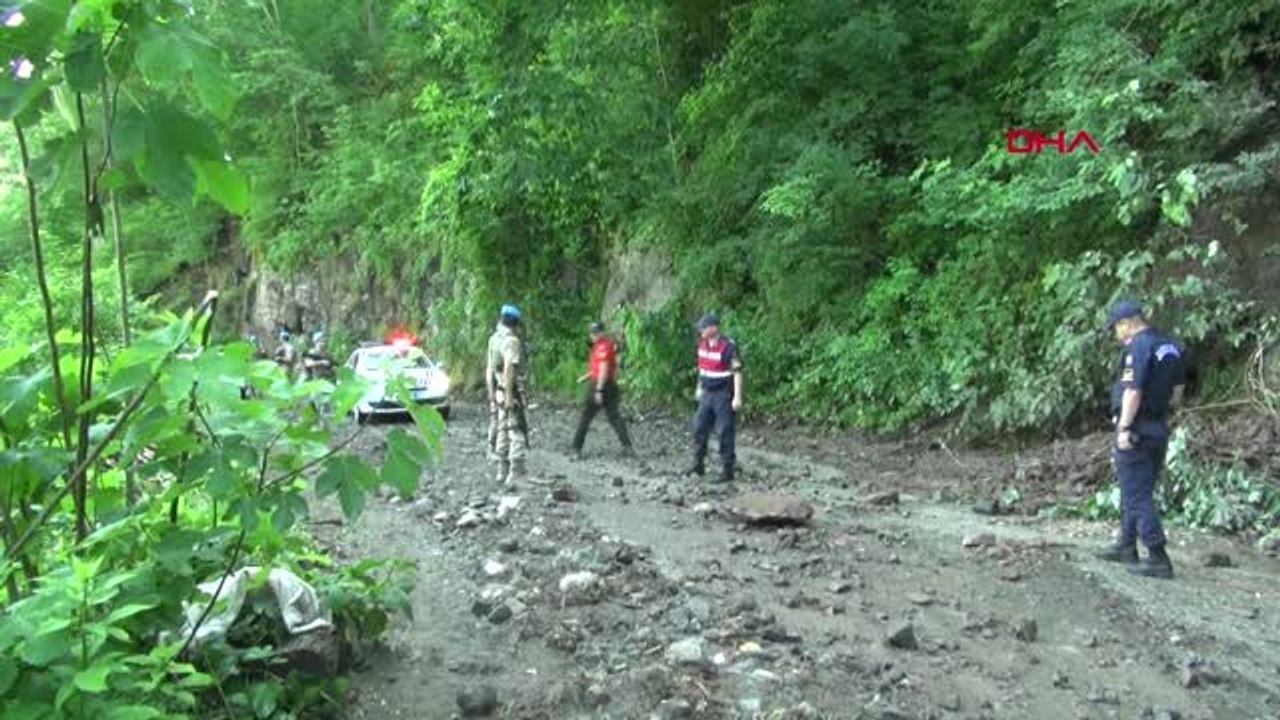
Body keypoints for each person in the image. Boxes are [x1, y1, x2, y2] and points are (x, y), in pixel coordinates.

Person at [1095, 300, 1186, 579]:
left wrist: (1124, 427)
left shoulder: (1139, 346)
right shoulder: (1169, 346)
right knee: (1135, 489)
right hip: (1158, 427)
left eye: (1116, 328)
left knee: (1137, 495)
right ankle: (1125, 545)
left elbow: (1132, 392)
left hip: (1137, 429)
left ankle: (1158, 555)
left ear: (1127, 323)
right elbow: (1179, 388)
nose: (1116, 334)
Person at [684, 313, 743, 483]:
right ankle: (698, 464)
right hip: (707, 393)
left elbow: (737, 373)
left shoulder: (728, 347)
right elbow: (701, 369)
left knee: (724, 431)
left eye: (704, 327)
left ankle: (727, 470)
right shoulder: (702, 345)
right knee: (699, 427)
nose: (701, 331)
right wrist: (699, 388)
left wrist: (737, 397)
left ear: (714, 328)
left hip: (723, 394)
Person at [570, 321, 635, 460]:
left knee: (586, 417)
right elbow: (602, 367)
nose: (593, 335)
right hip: (609, 384)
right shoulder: (604, 345)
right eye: (592, 332)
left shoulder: (602, 347)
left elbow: (604, 368)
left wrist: (598, 390)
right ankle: (627, 446)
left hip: (601, 385)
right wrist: (586, 377)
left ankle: (576, 448)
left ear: (602, 332)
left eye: (595, 332)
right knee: (614, 417)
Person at [486, 304, 529, 485]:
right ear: (516, 323)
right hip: (510, 391)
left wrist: (491, 395)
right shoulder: (511, 341)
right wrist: (511, 396)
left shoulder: (494, 339)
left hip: (498, 392)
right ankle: (515, 472)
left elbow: (489, 370)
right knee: (516, 430)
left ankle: (501, 471)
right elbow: (509, 367)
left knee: (502, 430)